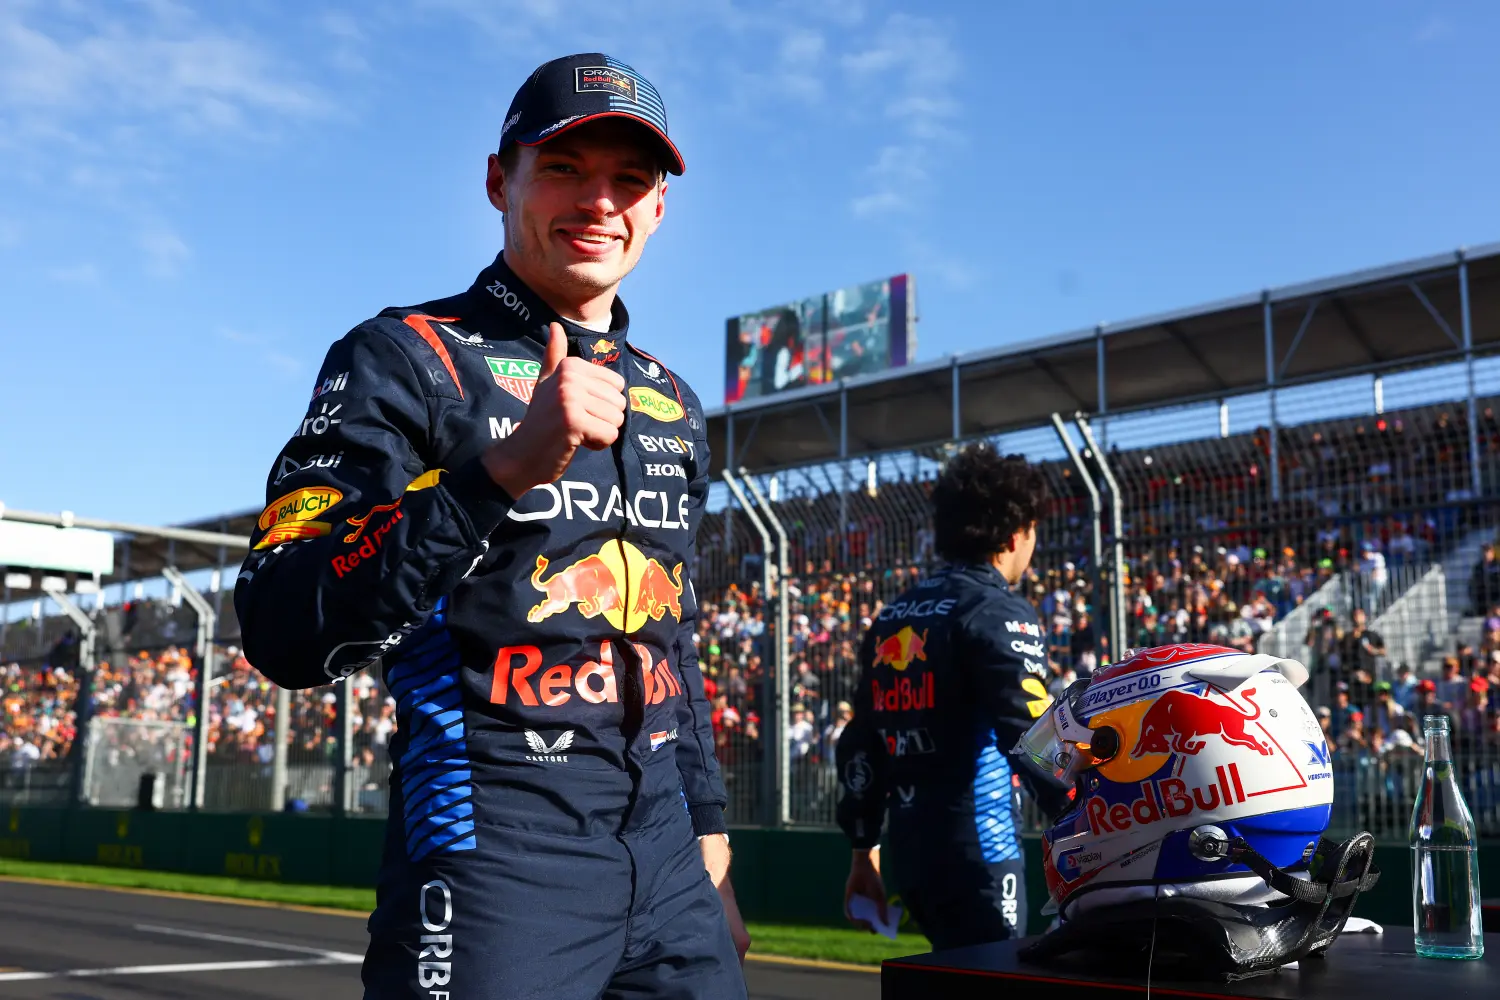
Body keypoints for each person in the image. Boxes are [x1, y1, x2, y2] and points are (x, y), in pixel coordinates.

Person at [235, 53, 748, 1000]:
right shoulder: (406, 357)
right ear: (496, 180)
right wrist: (504, 470)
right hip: (493, 851)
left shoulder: (673, 399)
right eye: (563, 168)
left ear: (659, 210)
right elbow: (279, 621)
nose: (600, 201)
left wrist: (707, 839)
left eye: (629, 179)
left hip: (669, 867)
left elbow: (670, 640)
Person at [835, 443, 1061, 950]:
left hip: (910, 854)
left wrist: (862, 850)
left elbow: (860, 743)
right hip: (980, 851)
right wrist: (1088, 818)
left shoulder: (894, 616)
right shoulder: (997, 609)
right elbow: (1034, 735)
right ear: (1014, 533)